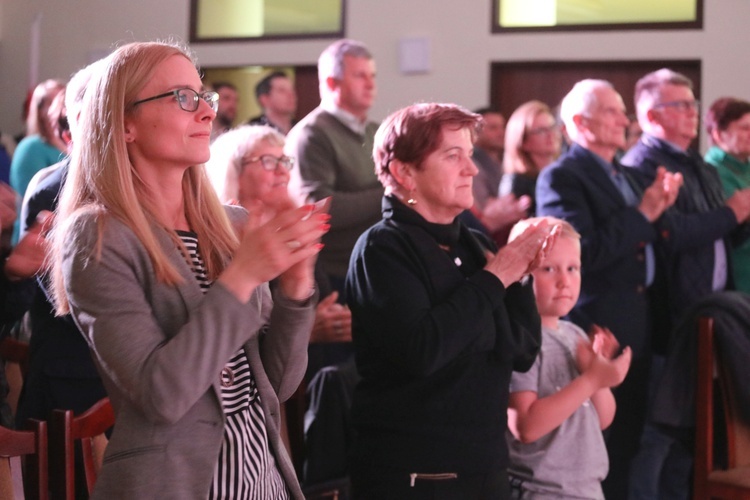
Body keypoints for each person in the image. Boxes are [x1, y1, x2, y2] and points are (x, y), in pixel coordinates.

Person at [49, 41, 329, 499]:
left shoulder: (230, 225)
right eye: (183, 97)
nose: (205, 112)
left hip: (262, 481)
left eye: (205, 97)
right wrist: (242, 278)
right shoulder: (97, 235)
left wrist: (297, 287)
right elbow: (164, 395)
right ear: (124, 124)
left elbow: (274, 386)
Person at [345, 102, 555, 499]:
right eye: (452, 155)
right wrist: (497, 277)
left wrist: (521, 277)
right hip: (416, 472)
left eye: (470, 155)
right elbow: (423, 350)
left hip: (483, 464)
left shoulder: (473, 244)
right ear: (403, 172)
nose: (472, 169)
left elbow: (522, 351)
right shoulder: (383, 247)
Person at [535, 79, 682, 500]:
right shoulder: (560, 176)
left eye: (623, 111)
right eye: (612, 112)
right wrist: (645, 212)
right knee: (606, 442)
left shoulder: (625, 173)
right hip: (599, 321)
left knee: (634, 437)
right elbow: (583, 251)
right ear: (581, 123)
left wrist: (659, 208)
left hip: (641, 315)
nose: (625, 120)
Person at [621, 68, 750, 500]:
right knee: (656, 436)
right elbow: (671, 236)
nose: (694, 112)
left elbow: (720, 234)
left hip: (710, 313)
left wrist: (740, 219)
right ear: (653, 116)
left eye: (694, 104)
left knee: (693, 437)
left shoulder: (698, 164)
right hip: (671, 319)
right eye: (683, 105)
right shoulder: (642, 165)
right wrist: (732, 211)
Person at [506, 216, 632, 499]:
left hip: (585, 488)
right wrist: (589, 381)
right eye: (548, 268)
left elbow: (602, 418)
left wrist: (598, 375)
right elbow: (525, 426)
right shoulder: (521, 339)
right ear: (519, 273)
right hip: (542, 490)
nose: (564, 281)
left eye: (573, 268)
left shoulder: (574, 334)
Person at [206, 125, 352, 366]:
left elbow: (319, 299)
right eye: (269, 161)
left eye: (285, 161)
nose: (284, 171)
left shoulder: (294, 227)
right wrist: (308, 332)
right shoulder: (215, 237)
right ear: (233, 170)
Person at [285, 38, 382, 296]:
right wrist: (390, 193)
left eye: (372, 75)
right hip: (338, 273)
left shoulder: (376, 131)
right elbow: (319, 208)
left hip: (376, 260)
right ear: (331, 83)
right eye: (360, 76)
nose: (371, 84)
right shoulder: (312, 134)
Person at [9, 79, 65, 242]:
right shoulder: (31, 147)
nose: (61, 107)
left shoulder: (66, 145)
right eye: (53, 102)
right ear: (40, 110)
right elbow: (37, 200)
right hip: (35, 239)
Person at [704, 97, 750, 293]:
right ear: (718, 134)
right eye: (744, 128)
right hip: (736, 278)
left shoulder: (745, 167)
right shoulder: (711, 171)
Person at [500, 100, 562, 216]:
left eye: (552, 127)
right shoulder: (516, 183)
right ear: (523, 141)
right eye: (541, 131)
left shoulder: (563, 174)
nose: (551, 134)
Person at [471, 108, 506, 209]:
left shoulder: (504, 162)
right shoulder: (472, 164)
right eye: (493, 128)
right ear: (476, 132)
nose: (501, 133)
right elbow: (483, 207)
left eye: (502, 127)